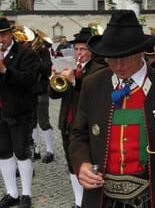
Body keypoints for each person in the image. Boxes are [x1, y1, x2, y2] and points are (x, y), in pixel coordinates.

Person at [69, 10, 155, 208]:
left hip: (152, 197)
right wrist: (82, 164)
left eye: (125, 57)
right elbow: (78, 134)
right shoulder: (93, 85)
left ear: (141, 52)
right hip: (102, 198)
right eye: (112, 58)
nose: (119, 65)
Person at [49, 27, 105, 208]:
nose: (78, 53)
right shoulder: (68, 66)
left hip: (86, 124)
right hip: (67, 122)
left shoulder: (99, 69)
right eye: (77, 49)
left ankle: (90, 201)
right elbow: (54, 95)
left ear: (91, 51)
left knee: (86, 163)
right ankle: (78, 201)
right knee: (71, 164)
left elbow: (94, 95)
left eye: (82, 49)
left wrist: (74, 81)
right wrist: (55, 78)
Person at [0, 18, 40, 208]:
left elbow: (29, 80)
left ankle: (26, 194)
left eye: (3, 35)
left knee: (21, 152)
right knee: (3, 152)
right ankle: (12, 193)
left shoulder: (25, 54)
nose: (1, 39)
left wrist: (5, 71)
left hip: (19, 112)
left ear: (11, 34)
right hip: (0, 111)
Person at [31, 35, 54, 164]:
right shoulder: (26, 51)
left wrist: (37, 58)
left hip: (41, 90)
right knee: (32, 122)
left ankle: (50, 151)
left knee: (43, 122)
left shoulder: (44, 52)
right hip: (30, 91)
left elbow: (47, 71)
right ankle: (36, 150)